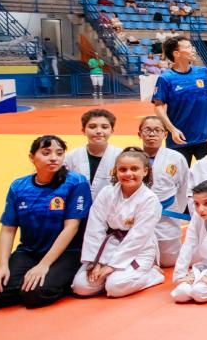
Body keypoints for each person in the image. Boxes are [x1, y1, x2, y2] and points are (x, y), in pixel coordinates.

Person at [0, 136, 91, 309]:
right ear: (32, 157)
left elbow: (71, 227)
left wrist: (44, 265)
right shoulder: (18, 186)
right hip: (29, 251)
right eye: (46, 153)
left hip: (67, 253)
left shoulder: (76, 182)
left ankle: (62, 281)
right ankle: (24, 281)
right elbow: (8, 229)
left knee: (35, 295)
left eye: (59, 153)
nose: (54, 157)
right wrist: (2, 266)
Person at [71, 148, 164, 298]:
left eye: (134, 169)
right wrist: (96, 262)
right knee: (81, 286)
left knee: (115, 287)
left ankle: (152, 275)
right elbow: (95, 228)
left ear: (145, 171)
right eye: (123, 169)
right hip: (110, 245)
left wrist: (112, 266)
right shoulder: (107, 193)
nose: (128, 174)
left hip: (139, 249)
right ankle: (107, 280)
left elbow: (137, 237)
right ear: (116, 172)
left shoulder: (149, 199)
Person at [136, 115, 191, 268]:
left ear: (165, 134)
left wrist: (175, 211)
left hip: (167, 214)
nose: (152, 134)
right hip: (139, 215)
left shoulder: (176, 158)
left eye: (157, 130)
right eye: (147, 130)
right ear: (139, 134)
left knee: (169, 261)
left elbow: (184, 189)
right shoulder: (132, 157)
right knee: (141, 259)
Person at [63, 108, 121, 203]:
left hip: (111, 210)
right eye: (92, 127)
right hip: (77, 209)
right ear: (83, 130)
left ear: (112, 131)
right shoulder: (71, 157)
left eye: (104, 127)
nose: (98, 131)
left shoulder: (121, 156)